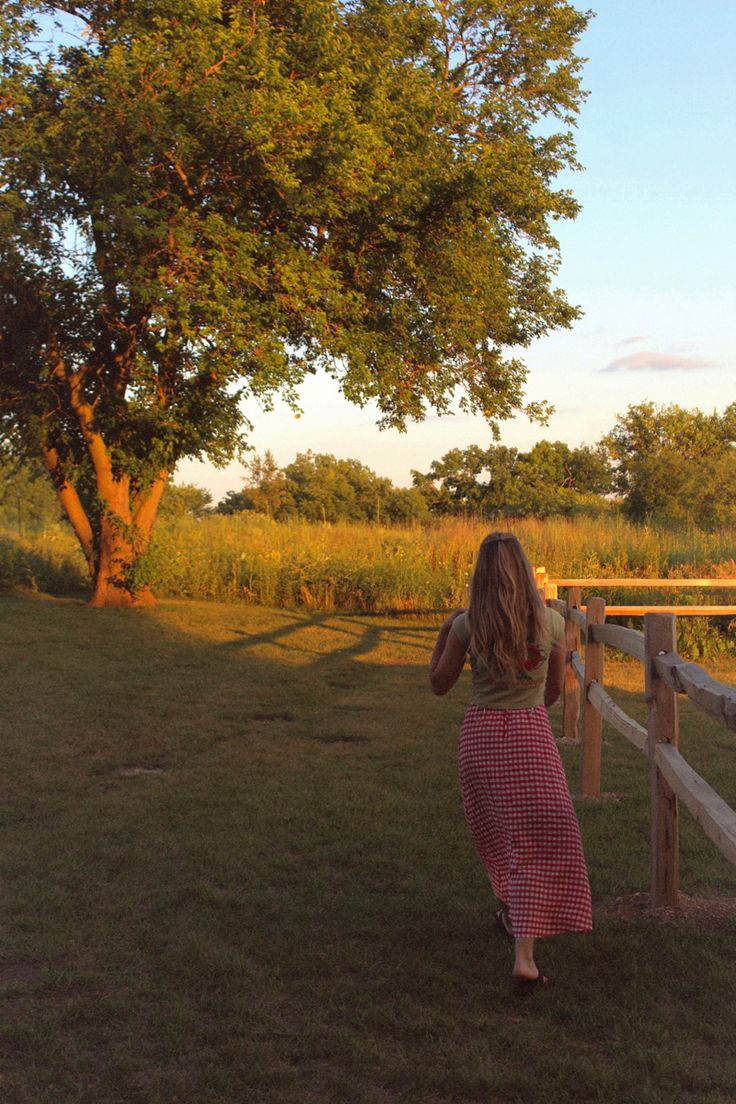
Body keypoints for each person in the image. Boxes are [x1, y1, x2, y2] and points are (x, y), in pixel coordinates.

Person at [429, 532, 592, 994]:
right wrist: (528, 699)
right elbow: (556, 692)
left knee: (501, 833)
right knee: (544, 834)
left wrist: (445, 630)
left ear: (481, 576)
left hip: (480, 737)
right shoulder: (551, 623)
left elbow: (438, 684)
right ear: (523, 570)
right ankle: (524, 953)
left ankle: (514, 917)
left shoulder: (467, 626)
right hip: (531, 735)